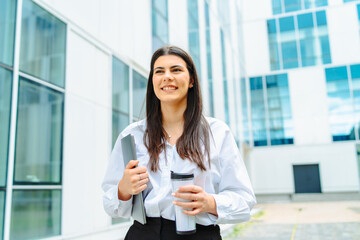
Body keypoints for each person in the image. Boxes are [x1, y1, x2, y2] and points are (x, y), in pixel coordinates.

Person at [102, 46, 256, 240]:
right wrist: (123, 190)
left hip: (198, 234)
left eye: (176, 70)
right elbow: (110, 205)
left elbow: (244, 200)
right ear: (153, 82)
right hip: (143, 234)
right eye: (159, 72)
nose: (167, 77)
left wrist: (210, 202)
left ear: (191, 80)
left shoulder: (217, 133)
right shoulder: (132, 135)